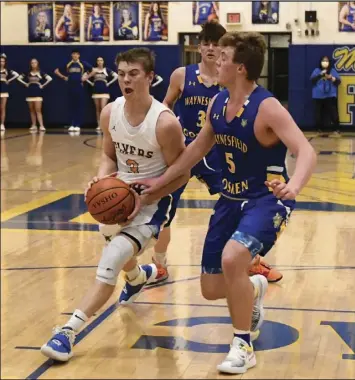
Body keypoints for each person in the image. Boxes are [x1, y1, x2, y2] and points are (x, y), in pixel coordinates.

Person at [135, 32, 317, 374]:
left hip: (265, 200)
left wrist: (294, 186)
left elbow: (306, 150)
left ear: (241, 68)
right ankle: (254, 289)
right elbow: (193, 152)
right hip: (230, 200)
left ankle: (243, 345)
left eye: (223, 58)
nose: (216, 62)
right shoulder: (217, 103)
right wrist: (159, 183)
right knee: (210, 289)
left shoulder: (267, 106)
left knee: (233, 259)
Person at [40, 47, 192, 362]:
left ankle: (68, 332)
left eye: (133, 73)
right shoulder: (110, 111)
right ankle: (138, 277)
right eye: (121, 73)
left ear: (150, 77)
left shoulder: (164, 123)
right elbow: (109, 155)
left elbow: (182, 175)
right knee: (113, 242)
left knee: (112, 258)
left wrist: (146, 196)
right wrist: (100, 181)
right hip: (118, 197)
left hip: (153, 204)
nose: (125, 79)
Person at [119, 22, 282, 300]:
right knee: (164, 204)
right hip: (183, 149)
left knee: (236, 204)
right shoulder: (182, 75)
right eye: (204, 42)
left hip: (218, 153)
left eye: (214, 43)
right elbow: (162, 108)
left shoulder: (228, 84)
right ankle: (160, 264)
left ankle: (251, 260)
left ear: (224, 51)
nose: (209, 48)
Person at [54, 49, 94, 132]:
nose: (75, 55)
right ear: (71, 55)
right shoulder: (68, 64)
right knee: (71, 105)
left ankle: (78, 125)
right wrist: (63, 77)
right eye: (73, 54)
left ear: (79, 55)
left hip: (79, 86)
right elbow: (56, 71)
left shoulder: (82, 63)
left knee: (78, 105)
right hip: (70, 86)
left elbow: (94, 71)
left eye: (76, 54)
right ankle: (72, 124)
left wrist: (86, 77)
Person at [17, 58, 52, 132]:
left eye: (35, 62)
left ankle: (41, 125)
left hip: (37, 92)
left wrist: (42, 85)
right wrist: (26, 84)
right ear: (30, 64)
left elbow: (49, 78)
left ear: (37, 63)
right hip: (29, 92)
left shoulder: (41, 72)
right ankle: (34, 125)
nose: (33, 64)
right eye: (32, 63)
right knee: (31, 110)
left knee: (38, 110)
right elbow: (19, 78)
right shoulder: (27, 72)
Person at [310, 56, 341, 136]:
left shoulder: (332, 71)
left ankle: (336, 129)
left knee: (333, 112)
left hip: (330, 95)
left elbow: (338, 82)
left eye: (326, 61)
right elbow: (312, 81)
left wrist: (331, 78)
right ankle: (318, 129)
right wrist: (320, 75)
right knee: (318, 113)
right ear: (320, 62)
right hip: (318, 96)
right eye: (323, 60)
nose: (325, 62)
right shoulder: (316, 71)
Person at [86, 57, 118, 132]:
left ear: (103, 62)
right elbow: (85, 76)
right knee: (97, 109)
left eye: (101, 60)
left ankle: (104, 125)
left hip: (104, 91)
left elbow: (116, 76)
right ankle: (99, 125)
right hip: (96, 91)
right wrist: (91, 83)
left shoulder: (106, 70)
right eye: (98, 60)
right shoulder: (93, 70)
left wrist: (109, 83)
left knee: (103, 109)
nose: (100, 62)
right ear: (96, 62)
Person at [0, 53, 19, 132]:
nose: (1, 62)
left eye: (3, 61)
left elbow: (16, 75)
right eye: (0, 61)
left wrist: (9, 80)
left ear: (5, 62)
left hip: (4, 89)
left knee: (2, 108)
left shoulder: (7, 70)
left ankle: (2, 124)